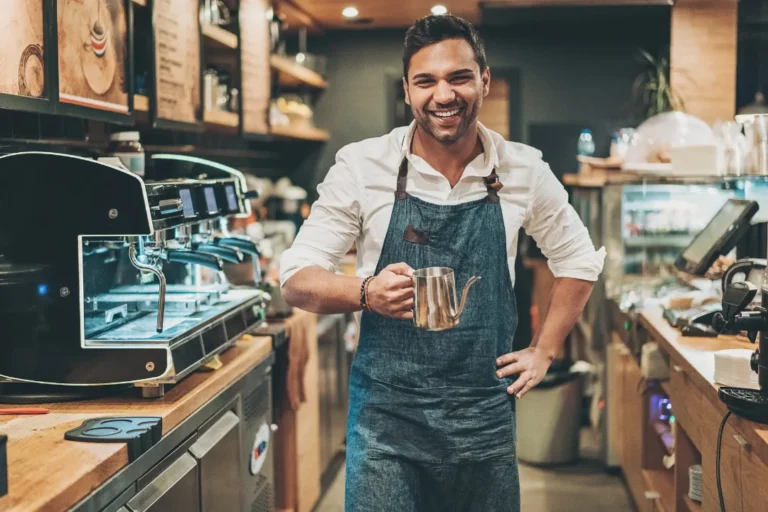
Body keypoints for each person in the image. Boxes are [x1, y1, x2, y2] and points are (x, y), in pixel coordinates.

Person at [280, 14, 605, 512]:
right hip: (387, 421)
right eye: (426, 81)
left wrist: (545, 350)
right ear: (407, 90)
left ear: (484, 81)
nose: (444, 95)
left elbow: (578, 258)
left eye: (459, 77)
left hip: (483, 419)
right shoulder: (363, 166)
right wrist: (366, 293)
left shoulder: (522, 169)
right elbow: (296, 278)